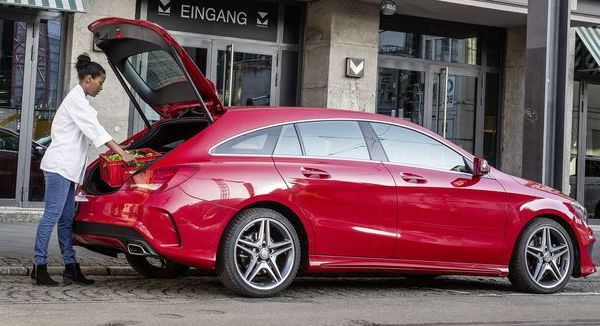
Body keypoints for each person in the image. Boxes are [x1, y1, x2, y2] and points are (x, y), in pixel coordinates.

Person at [31, 53, 135, 286]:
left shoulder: (81, 101)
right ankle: (39, 266)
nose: (101, 88)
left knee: (67, 219)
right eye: (100, 82)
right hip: (59, 167)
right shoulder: (76, 101)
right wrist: (122, 153)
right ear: (88, 78)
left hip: (67, 170)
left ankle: (70, 268)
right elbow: (96, 130)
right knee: (52, 216)